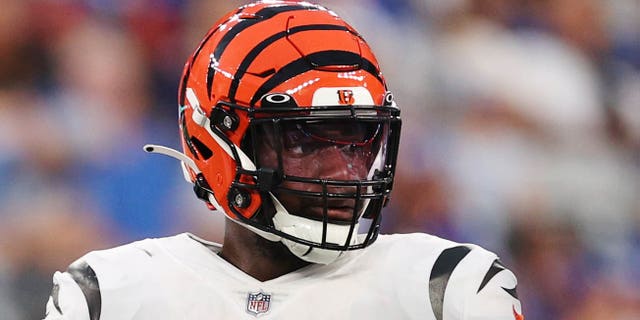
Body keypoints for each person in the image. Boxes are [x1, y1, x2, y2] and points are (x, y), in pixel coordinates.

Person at [44, 1, 524, 319]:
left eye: (359, 140)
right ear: (218, 145)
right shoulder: (108, 294)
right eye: (306, 142)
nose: (344, 170)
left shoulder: (447, 288)